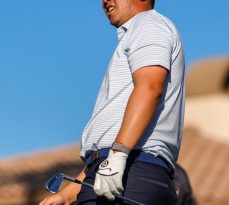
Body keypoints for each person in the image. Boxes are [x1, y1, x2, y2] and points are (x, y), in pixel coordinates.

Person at [39, 0, 185, 204]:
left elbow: (150, 88)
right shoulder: (140, 29)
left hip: (133, 174)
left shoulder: (148, 24)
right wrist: (65, 197)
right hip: (124, 171)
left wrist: (117, 155)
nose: (105, 0)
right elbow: (106, 154)